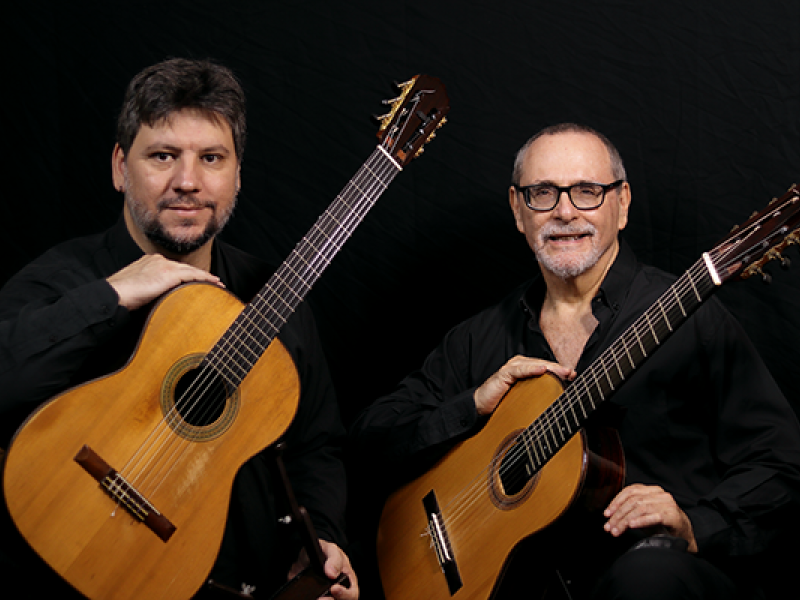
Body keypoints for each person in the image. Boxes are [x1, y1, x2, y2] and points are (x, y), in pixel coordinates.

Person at [349, 123, 800, 599]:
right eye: (542, 193)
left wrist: (694, 525)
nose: (565, 212)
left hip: (650, 579)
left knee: (646, 579)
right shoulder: (478, 339)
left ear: (622, 204)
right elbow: (369, 440)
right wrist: (473, 405)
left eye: (587, 191)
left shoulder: (692, 318)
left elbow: (782, 462)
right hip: (516, 584)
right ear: (517, 210)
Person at [0, 58, 358, 599]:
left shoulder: (275, 297)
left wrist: (322, 543)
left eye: (211, 158)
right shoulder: (62, 280)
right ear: (121, 167)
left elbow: (317, 447)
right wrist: (112, 296)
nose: (187, 182)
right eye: (163, 156)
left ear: (237, 174)